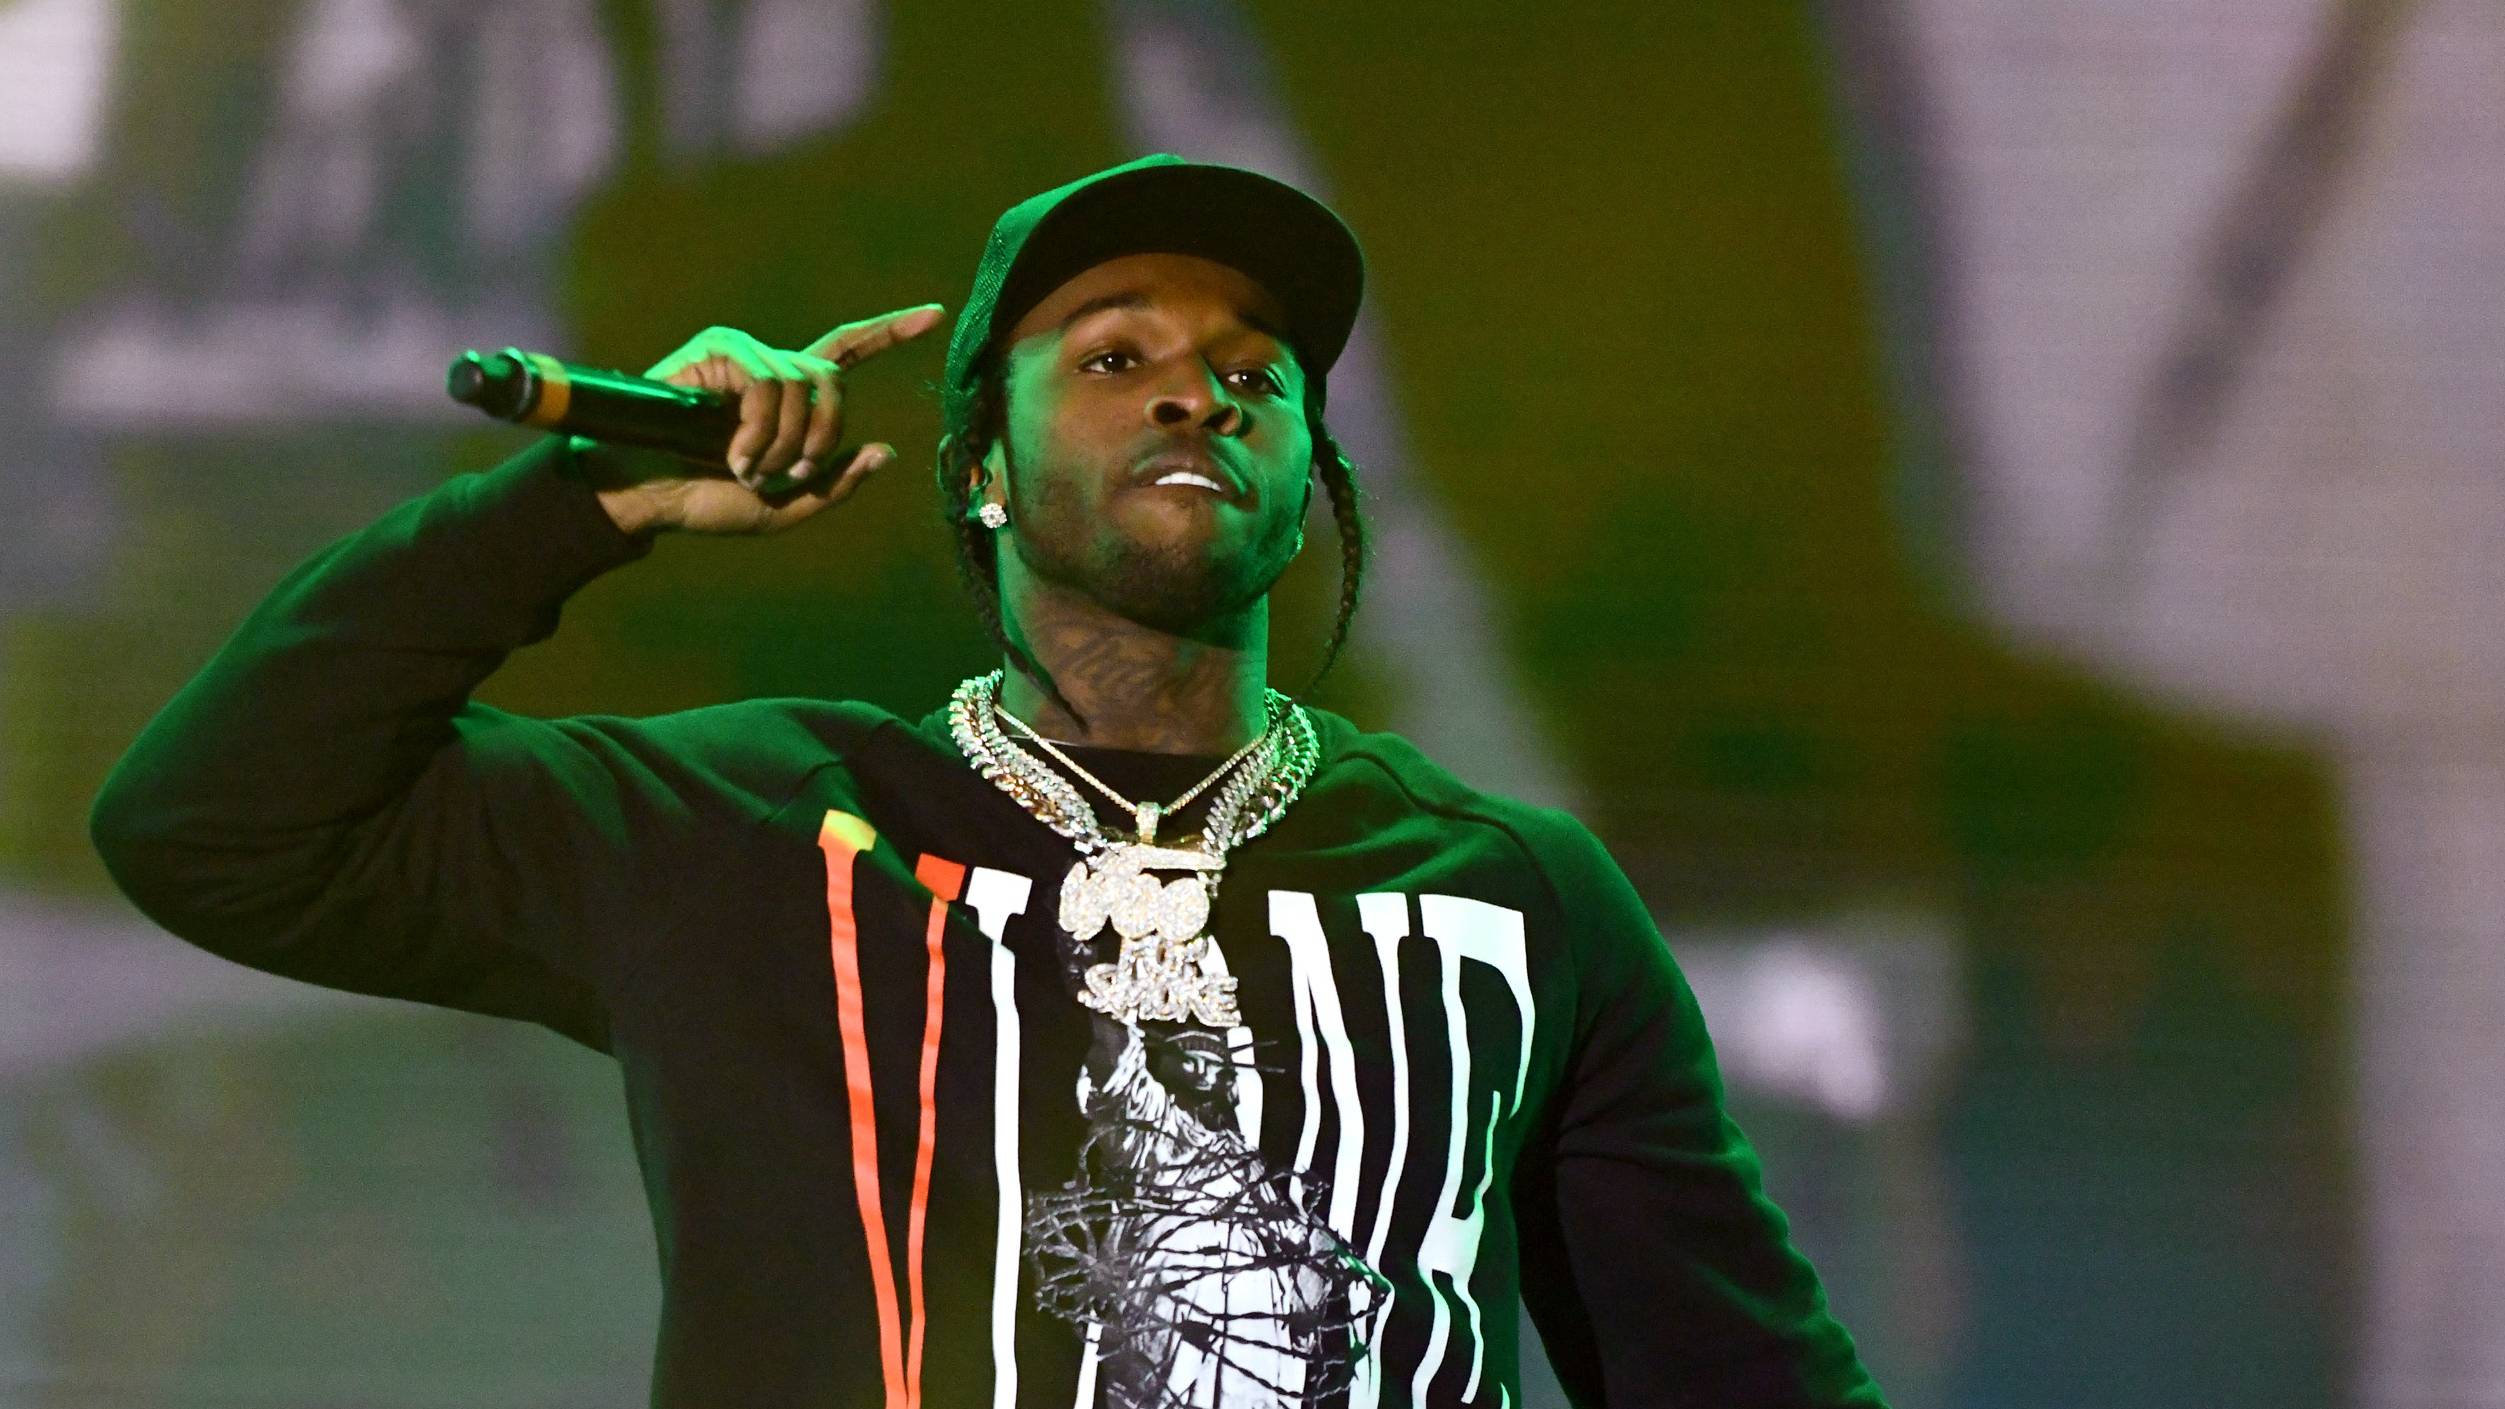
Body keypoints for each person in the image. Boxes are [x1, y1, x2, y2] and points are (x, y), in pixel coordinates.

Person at [89, 154, 1887, 1408]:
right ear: (983, 471)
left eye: (1253, 373)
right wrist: (584, 501)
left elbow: (1737, 1375)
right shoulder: (754, 827)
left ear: (1304, 490)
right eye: (1114, 356)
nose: (1198, 393)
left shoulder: (1507, 893)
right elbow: (217, 823)